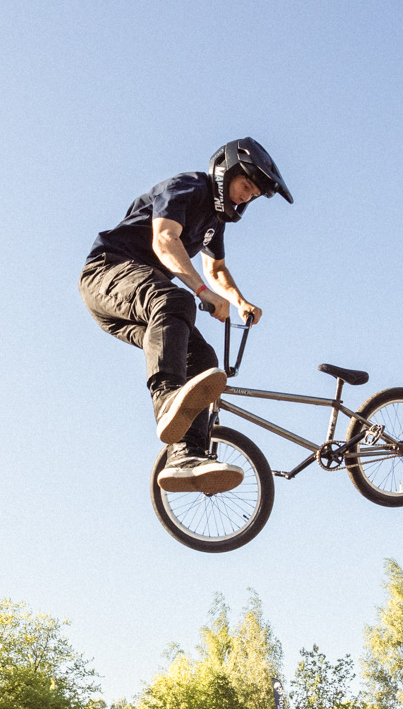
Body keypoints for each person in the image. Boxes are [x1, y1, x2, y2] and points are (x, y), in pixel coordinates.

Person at [79, 138, 289, 495]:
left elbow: (217, 268)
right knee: (175, 299)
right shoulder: (187, 187)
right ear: (227, 172)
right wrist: (202, 292)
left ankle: (185, 457)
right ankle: (166, 399)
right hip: (107, 274)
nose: (246, 197)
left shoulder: (214, 225)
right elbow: (165, 239)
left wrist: (238, 300)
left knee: (203, 360)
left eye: (253, 194)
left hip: (140, 306)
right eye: (245, 186)